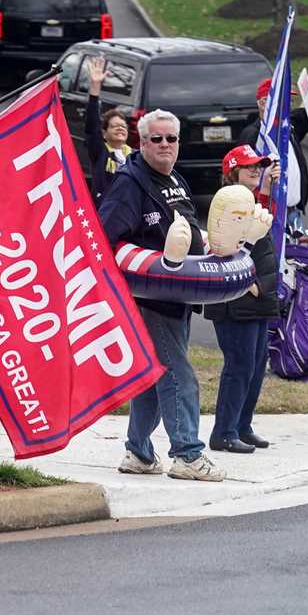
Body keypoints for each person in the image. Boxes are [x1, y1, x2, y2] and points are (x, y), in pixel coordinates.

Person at [98, 109, 225, 482]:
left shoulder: (176, 180)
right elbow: (105, 235)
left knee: (156, 377)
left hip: (178, 298)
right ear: (142, 141)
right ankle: (187, 454)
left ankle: (138, 452)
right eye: (157, 139)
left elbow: (188, 229)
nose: (165, 145)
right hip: (148, 300)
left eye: (171, 138)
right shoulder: (130, 184)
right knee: (178, 375)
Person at [205, 145, 280, 454]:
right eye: (248, 166)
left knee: (256, 364)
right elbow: (220, 247)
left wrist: (266, 189)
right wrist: (245, 282)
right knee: (239, 365)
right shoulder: (227, 206)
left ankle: (242, 425)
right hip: (236, 298)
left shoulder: (252, 202)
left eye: (258, 165)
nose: (255, 169)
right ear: (232, 171)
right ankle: (223, 431)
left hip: (260, 297)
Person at [240, 77, 308, 232]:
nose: (288, 107)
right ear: (263, 103)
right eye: (283, 101)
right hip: (269, 215)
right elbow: (244, 179)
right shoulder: (254, 136)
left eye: (289, 102)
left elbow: (302, 119)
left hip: (293, 213)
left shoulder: (287, 128)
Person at [84, 56, 133, 200]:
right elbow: (92, 126)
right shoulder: (100, 152)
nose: (120, 129)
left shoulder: (135, 157)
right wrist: (95, 88)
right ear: (104, 133)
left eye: (123, 126)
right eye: (115, 126)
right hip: (106, 211)